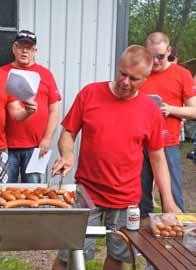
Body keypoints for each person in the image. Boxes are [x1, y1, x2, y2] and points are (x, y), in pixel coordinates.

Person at [51, 45, 181, 270]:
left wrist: (168, 202)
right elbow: (69, 132)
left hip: (126, 198)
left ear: (146, 78)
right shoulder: (90, 93)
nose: (125, 82)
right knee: (68, 255)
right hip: (86, 193)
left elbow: (157, 157)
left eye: (134, 78)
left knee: (118, 256)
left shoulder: (150, 110)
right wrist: (67, 154)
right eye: (122, 73)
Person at [139, 32, 196, 217]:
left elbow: (194, 110)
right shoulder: (140, 72)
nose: (155, 61)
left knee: (172, 198)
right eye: (151, 56)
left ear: (169, 51)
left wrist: (169, 109)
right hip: (139, 144)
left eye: (160, 56)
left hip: (168, 144)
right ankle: (142, 243)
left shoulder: (182, 74)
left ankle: (176, 243)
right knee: (140, 200)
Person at [0, 30, 61, 183]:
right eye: (21, 46)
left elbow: (54, 110)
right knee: (5, 193)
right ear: (14, 48)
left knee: (33, 193)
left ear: (35, 51)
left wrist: (47, 139)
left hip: (35, 147)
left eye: (29, 47)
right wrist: (27, 112)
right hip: (6, 147)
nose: (24, 51)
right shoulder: (3, 73)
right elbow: (13, 110)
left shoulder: (45, 74)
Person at [0, 69, 37, 183]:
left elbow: (16, 113)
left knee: (2, 195)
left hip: (0, 149)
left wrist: (27, 111)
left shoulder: (5, 77)